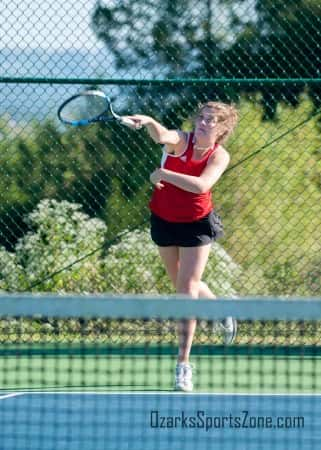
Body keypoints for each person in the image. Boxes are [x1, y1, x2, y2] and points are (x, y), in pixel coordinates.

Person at [125, 101, 239, 392]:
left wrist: (163, 175)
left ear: (223, 128)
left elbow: (201, 185)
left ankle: (182, 366)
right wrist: (150, 119)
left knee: (186, 292)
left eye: (212, 120)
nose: (204, 123)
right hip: (164, 218)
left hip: (197, 224)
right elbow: (163, 136)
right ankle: (219, 311)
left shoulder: (220, 155)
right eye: (202, 117)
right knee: (180, 283)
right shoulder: (181, 140)